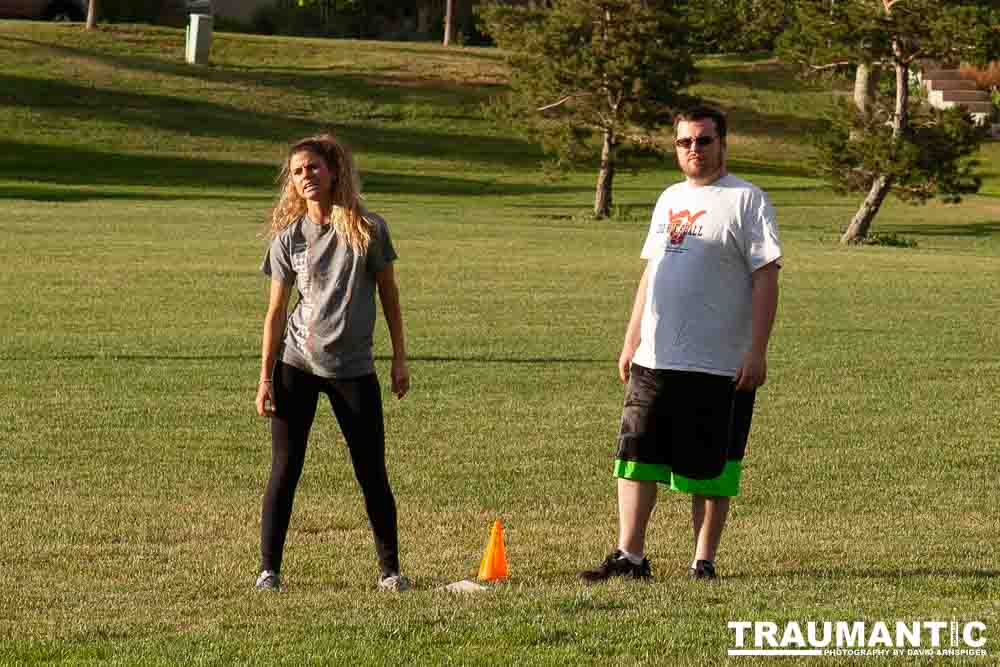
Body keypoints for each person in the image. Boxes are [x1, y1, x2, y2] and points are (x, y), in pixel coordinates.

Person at [579, 107, 781, 582]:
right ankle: (630, 556)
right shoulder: (669, 198)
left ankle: (702, 561)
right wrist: (631, 341)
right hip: (656, 356)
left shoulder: (747, 200)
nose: (694, 149)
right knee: (635, 455)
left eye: (704, 141)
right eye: (685, 142)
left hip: (718, 362)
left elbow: (766, 277)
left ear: (722, 144)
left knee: (711, 466)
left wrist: (756, 350)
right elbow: (652, 273)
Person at [253, 134, 411, 592]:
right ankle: (269, 571)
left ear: (334, 171)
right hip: (296, 364)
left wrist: (400, 358)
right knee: (285, 468)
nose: (307, 176)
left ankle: (391, 571)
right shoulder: (289, 239)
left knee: (371, 471)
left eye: (314, 168)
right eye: (298, 171)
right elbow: (276, 313)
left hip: (354, 369)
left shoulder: (370, 230)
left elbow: (390, 296)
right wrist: (266, 377)